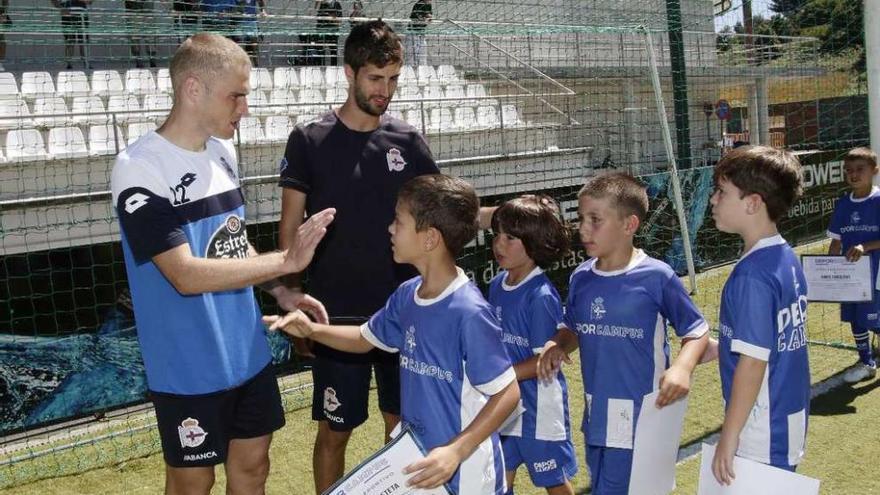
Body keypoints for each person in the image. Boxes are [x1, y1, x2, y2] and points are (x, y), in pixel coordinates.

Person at [110, 33, 335, 494]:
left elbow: (232, 244)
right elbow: (185, 275)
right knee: (193, 483)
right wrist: (288, 258)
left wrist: (280, 288)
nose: (245, 108)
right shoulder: (139, 167)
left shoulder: (222, 152)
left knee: (253, 468)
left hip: (246, 351)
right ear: (194, 89)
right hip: (186, 365)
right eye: (237, 95)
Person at [266, 174, 521, 494]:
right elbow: (364, 338)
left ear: (429, 238)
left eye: (398, 222)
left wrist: (456, 450)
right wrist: (312, 329)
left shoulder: (468, 312)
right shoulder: (407, 295)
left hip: (463, 473)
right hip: (417, 461)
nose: (390, 229)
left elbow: (508, 393)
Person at [277, 19, 439, 493]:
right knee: (335, 430)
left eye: (392, 80)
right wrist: (291, 297)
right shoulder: (309, 140)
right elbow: (289, 232)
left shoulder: (407, 141)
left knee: (402, 429)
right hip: (335, 315)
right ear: (349, 73)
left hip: (400, 313)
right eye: (375, 78)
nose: (384, 90)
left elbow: (443, 210)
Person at [537, 172, 710, 495]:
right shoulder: (581, 277)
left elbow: (697, 331)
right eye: (581, 219)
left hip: (641, 417)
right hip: (597, 417)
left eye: (595, 220)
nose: (583, 229)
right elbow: (572, 327)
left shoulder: (657, 277)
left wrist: (682, 368)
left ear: (629, 225)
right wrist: (558, 344)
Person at [708, 146, 810, 484]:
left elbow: (753, 363)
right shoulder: (785, 257)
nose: (713, 200)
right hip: (787, 418)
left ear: (753, 203)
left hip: (761, 430)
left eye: (722, 192)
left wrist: (730, 435)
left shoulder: (752, 274)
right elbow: (771, 336)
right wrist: (719, 347)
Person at [488, 195, 578, 495]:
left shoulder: (540, 296)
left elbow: (543, 362)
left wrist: (499, 376)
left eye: (510, 237)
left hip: (539, 411)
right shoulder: (495, 286)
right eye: (496, 234)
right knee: (499, 480)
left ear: (535, 243)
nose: (499, 243)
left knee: (553, 481)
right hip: (506, 405)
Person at [827, 147, 880, 383]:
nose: (854, 174)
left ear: (874, 171)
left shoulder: (878, 201)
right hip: (850, 274)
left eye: (860, 169)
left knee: (873, 319)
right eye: (849, 170)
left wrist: (864, 246)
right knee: (853, 317)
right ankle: (866, 361)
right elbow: (836, 240)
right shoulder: (842, 204)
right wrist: (828, 268)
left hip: (876, 272)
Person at [52, 0, 91, 70]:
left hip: (81, 12)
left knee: (83, 40)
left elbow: (90, 1)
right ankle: (69, 64)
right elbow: (54, 2)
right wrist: (61, 7)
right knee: (70, 40)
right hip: (67, 14)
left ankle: (86, 62)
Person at [124, 0, 157, 69]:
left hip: (147, 7)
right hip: (133, 7)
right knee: (135, 35)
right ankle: (139, 61)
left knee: (150, 35)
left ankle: (152, 60)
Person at [235, 0, 267, 67]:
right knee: (239, 47)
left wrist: (262, 11)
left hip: (251, 23)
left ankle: (257, 67)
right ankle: (240, 68)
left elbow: (260, 1)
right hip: (239, 23)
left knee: (254, 46)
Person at [315, 0, 342, 66]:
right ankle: (320, 68)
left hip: (332, 32)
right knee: (320, 52)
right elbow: (314, 14)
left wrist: (331, 18)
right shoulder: (321, 4)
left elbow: (339, 22)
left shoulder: (336, 4)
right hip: (321, 32)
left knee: (333, 52)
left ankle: (333, 69)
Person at [405, 0, 431, 66]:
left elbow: (429, 18)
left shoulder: (429, 5)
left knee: (422, 55)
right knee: (412, 55)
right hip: (413, 32)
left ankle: (423, 71)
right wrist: (425, 19)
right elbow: (417, 19)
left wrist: (427, 19)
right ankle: (411, 71)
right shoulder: (419, 4)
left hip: (421, 32)